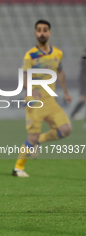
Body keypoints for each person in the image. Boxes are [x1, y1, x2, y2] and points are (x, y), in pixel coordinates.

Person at [13, 20, 72, 177]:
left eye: (45, 30)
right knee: (30, 137)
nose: (42, 33)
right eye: (39, 30)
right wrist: (32, 89)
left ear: (49, 33)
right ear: (35, 33)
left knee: (65, 129)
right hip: (34, 101)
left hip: (50, 101)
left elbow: (60, 72)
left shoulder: (57, 53)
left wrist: (65, 92)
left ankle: (39, 140)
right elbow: (23, 77)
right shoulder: (30, 55)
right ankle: (18, 168)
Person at [70, 49, 86, 129]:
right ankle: (70, 117)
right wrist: (83, 90)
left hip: (83, 81)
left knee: (83, 101)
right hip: (84, 82)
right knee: (83, 100)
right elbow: (82, 75)